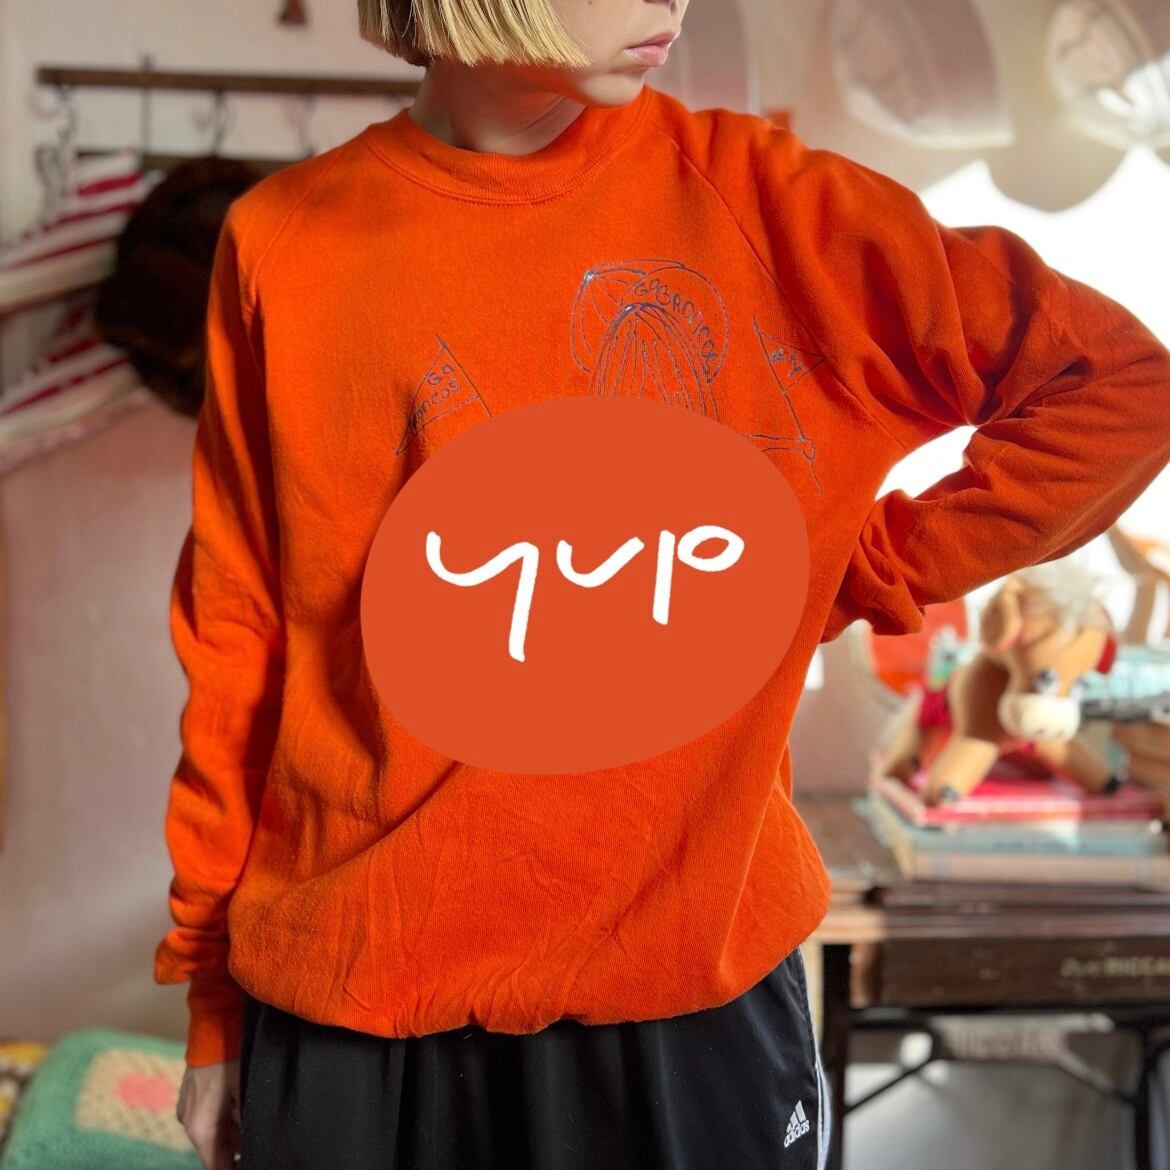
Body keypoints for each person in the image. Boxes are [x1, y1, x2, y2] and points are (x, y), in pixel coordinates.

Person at [156, 1, 1170, 1167]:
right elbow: (240, 637)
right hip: (354, 998)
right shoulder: (286, 241)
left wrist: (840, 576)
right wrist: (212, 1003)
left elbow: (1116, 387)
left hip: (681, 1000)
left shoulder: (765, 203)